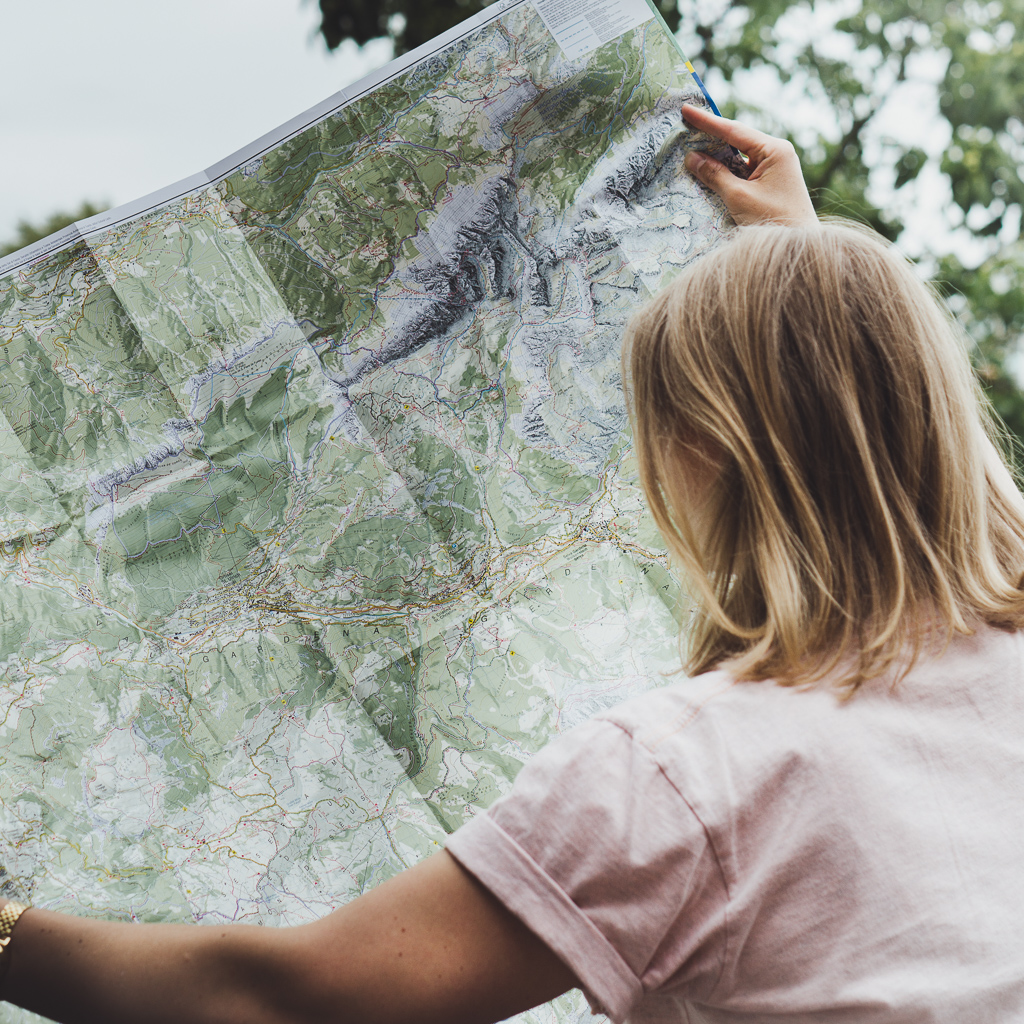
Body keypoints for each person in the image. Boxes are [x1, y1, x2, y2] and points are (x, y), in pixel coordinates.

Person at [3, 103, 1024, 1024]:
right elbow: (932, 466)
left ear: (705, 449)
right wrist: (816, 292)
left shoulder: (688, 774)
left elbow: (279, 1001)